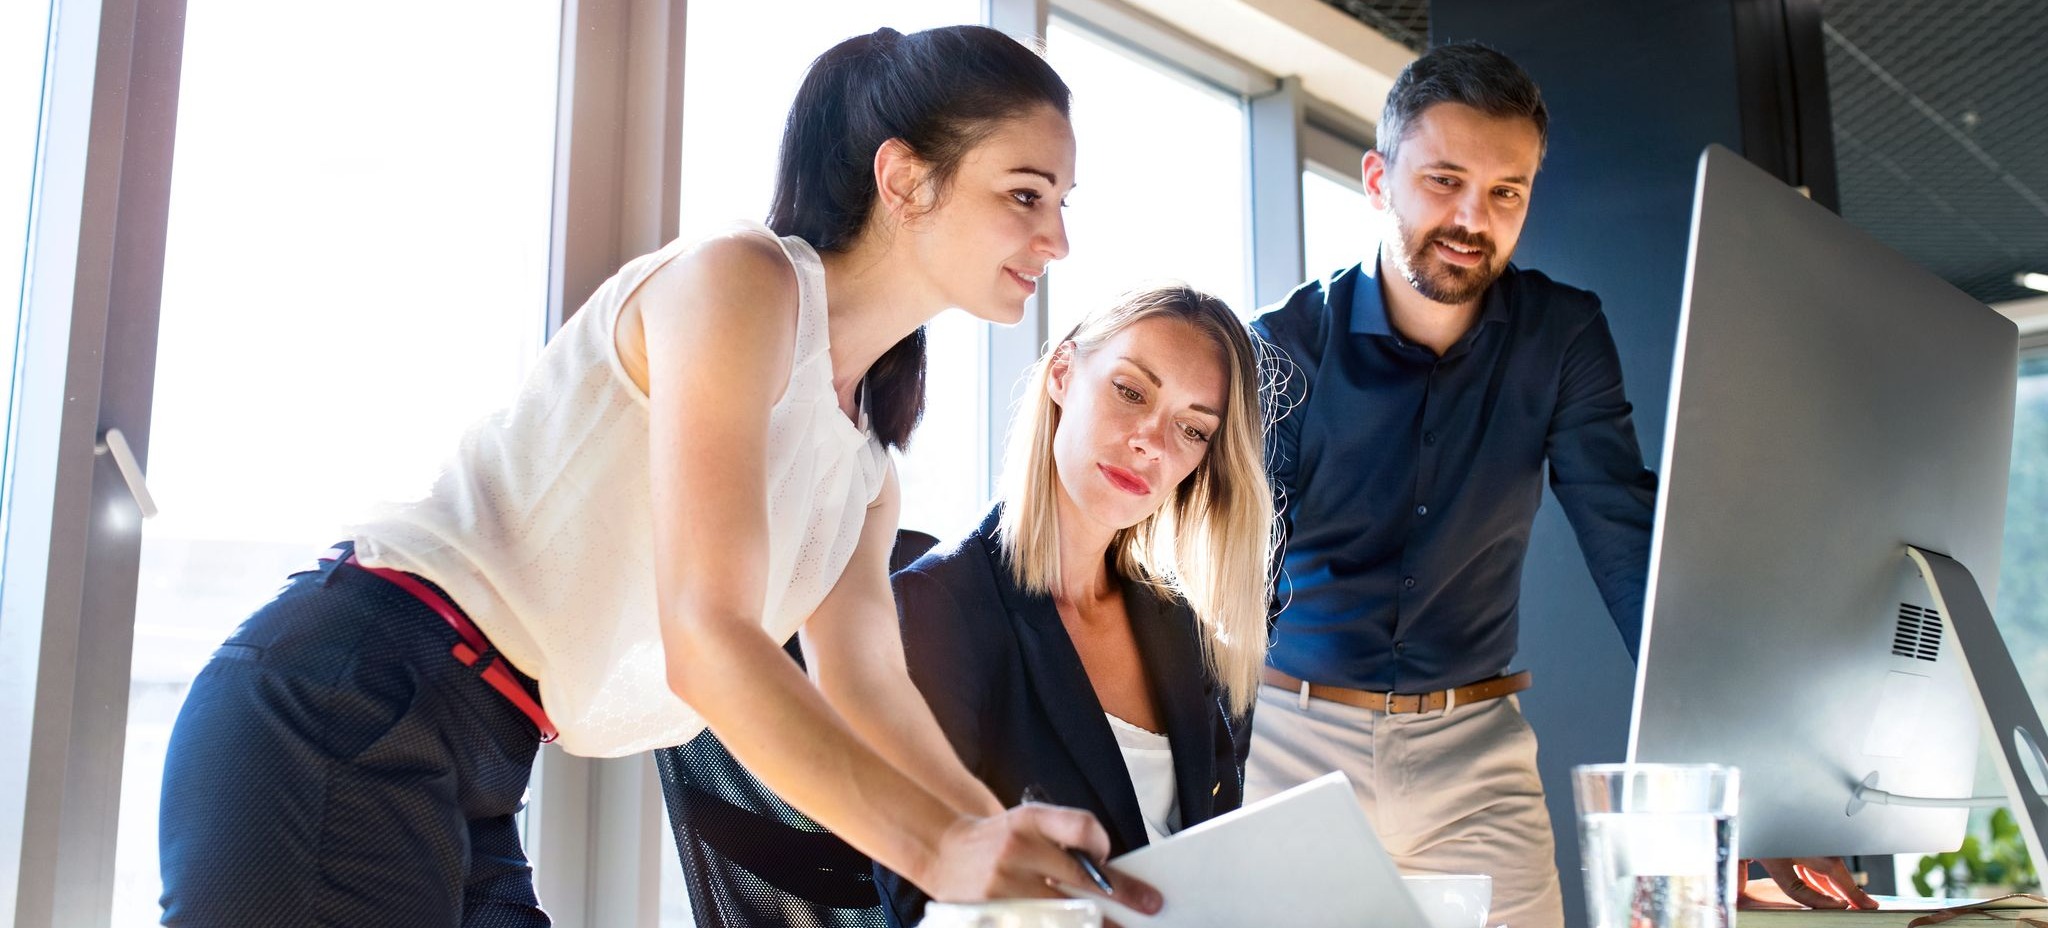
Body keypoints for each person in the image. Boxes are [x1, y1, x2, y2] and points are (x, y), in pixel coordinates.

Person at [156, 24, 1163, 926]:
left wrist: (1006, 851)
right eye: (1025, 195)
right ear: (903, 180)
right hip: (351, 695)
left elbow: (870, 691)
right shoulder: (740, 281)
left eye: (1062, 204)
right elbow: (706, 638)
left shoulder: (863, 468)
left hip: (483, 750)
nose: (1057, 240)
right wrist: (941, 850)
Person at [1244, 42, 1877, 928]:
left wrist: (1756, 793)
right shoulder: (1280, 344)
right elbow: (1234, 580)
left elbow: (1629, 548)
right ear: (1378, 179)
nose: (1474, 217)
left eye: (1507, 192)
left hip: (1476, 751)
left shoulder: (1564, 334)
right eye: (1445, 181)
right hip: (1288, 743)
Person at [876, 285, 1275, 926]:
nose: (1152, 441)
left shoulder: (1190, 637)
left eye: (1192, 428)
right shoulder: (937, 608)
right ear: (1063, 373)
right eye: (1131, 390)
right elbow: (920, 893)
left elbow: (1215, 868)